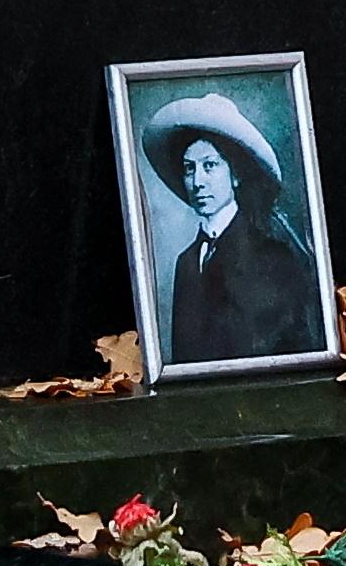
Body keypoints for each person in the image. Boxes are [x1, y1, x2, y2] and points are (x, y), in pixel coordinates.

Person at [135, 97, 324, 366]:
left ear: (235, 174)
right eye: (190, 169)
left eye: (210, 165)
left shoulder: (272, 256)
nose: (198, 181)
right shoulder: (187, 261)